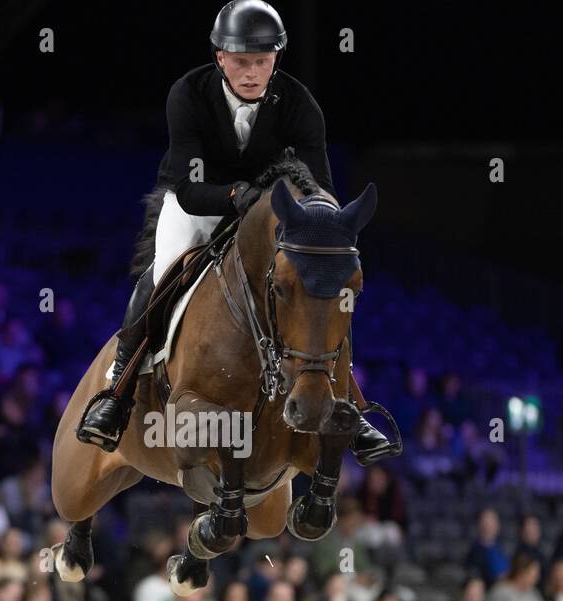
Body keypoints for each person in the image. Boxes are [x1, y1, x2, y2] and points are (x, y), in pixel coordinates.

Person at [75, 0, 395, 465]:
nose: (251, 72)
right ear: (220, 57)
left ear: (275, 60)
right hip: (200, 206)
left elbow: (319, 186)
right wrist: (237, 197)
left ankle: (351, 404)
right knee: (165, 270)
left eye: (261, 61)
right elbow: (187, 186)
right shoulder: (187, 94)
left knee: (319, 291)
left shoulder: (301, 104)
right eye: (241, 61)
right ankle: (118, 390)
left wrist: (324, 225)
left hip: (270, 216)